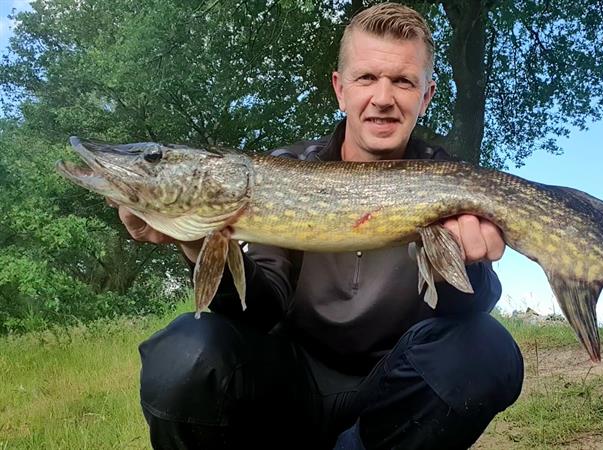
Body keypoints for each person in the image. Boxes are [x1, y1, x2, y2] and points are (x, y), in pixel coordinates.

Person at [120, 3, 523, 449]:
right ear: (340, 89)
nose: (383, 97)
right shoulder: (284, 169)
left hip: (394, 393)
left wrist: (466, 264)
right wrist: (198, 242)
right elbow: (260, 310)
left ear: (425, 96)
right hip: (291, 389)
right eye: (366, 78)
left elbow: (471, 312)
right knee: (187, 351)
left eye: (403, 81)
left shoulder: (449, 178)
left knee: (487, 348)